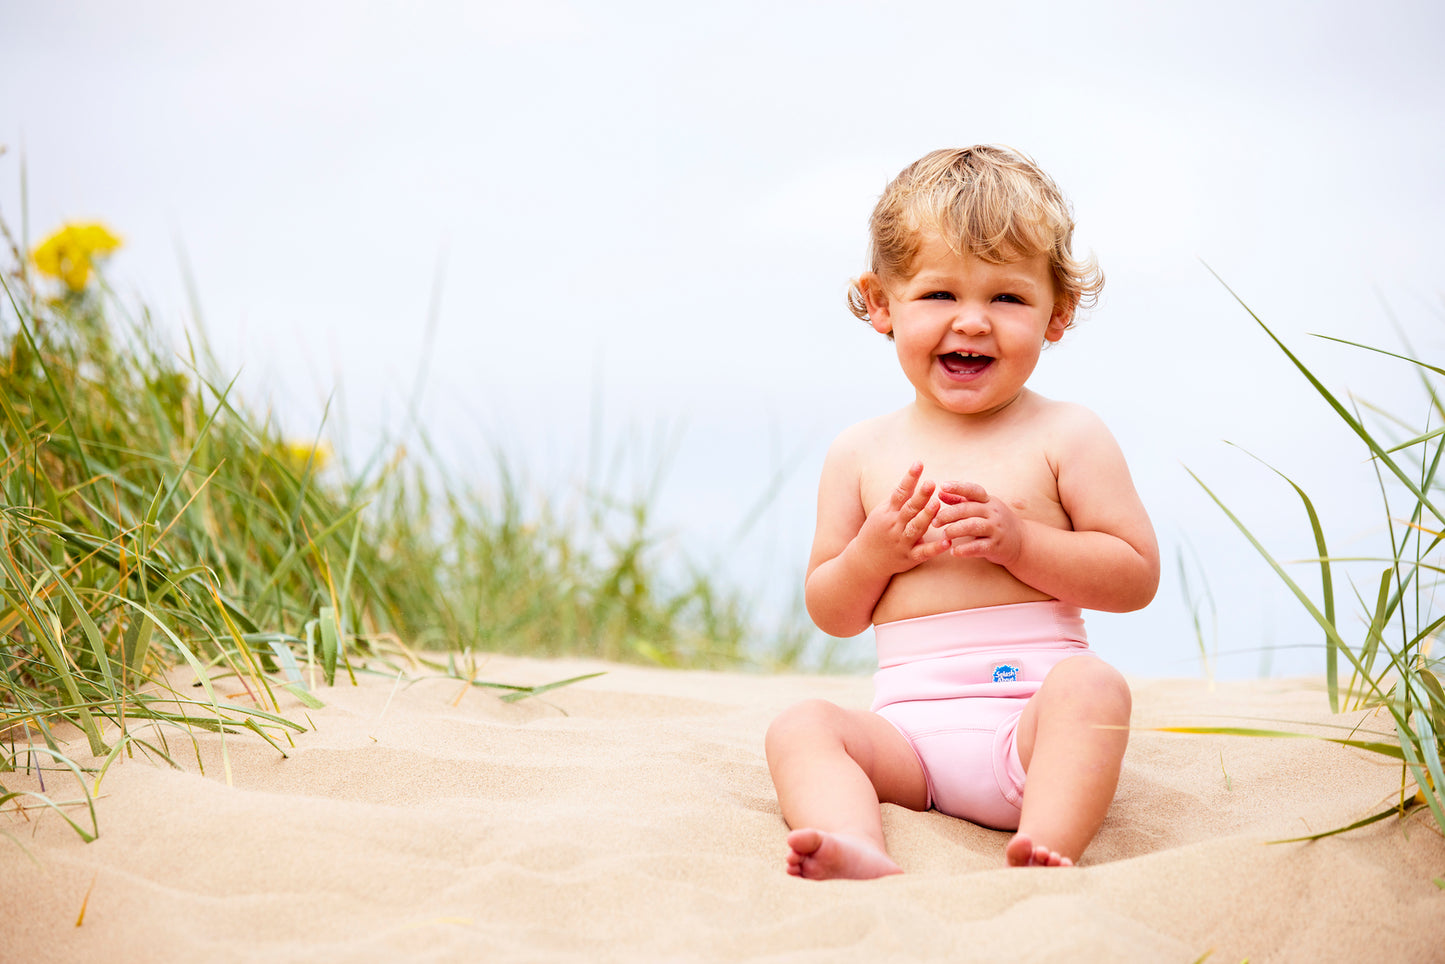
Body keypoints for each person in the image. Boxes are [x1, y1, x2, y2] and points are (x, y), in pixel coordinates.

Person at [765, 146, 1159, 879]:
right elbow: (831, 609)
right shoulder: (858, 451)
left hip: (1028, 726)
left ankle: (1045, 844)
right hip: (908, 741)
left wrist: (1022, 544)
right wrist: (872, 557)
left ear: (1057, 313)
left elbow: (1134, 577)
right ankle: (854, 842)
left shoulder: (1066, 434)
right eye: (939, 296)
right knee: (802, 726)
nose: (972, 323)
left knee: (1093, 690)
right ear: (881, 302)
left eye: (1006, 298)